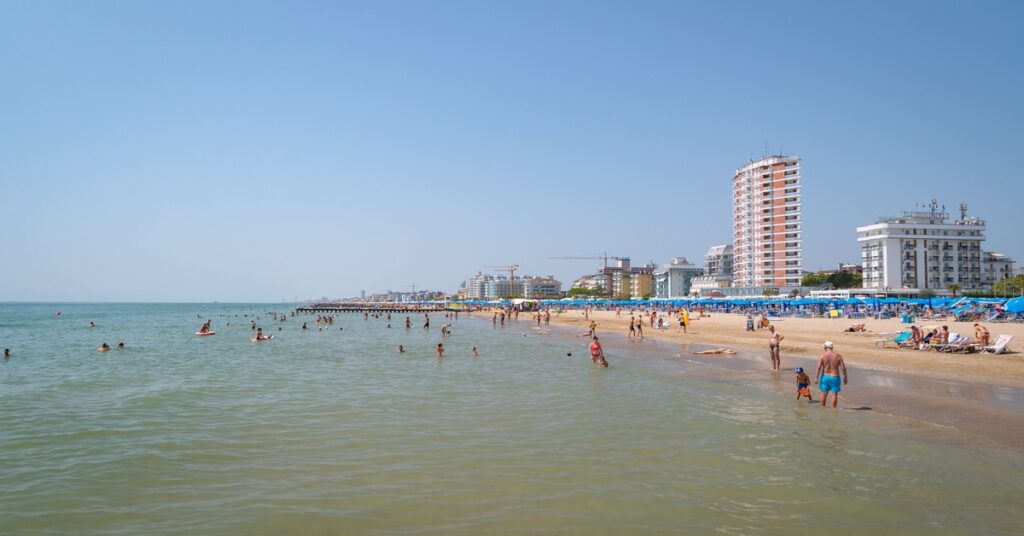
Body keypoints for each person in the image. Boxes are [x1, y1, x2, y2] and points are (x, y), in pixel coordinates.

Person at [815, 341, 848, 408]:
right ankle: (833, 410)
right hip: (835, 377)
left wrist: (816, 377)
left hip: (825, 377)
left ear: (825, 347)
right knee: (834, 394)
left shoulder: (822, 355)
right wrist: (845, 377)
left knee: (824, 393)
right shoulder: (838, 356)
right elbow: (843, 368)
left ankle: (822, 409)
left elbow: (818, 367)